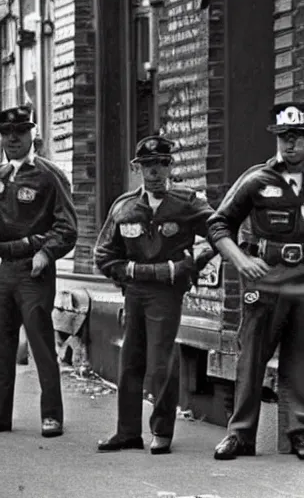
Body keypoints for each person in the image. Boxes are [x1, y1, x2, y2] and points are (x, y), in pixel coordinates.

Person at [94, 135, 215, 454]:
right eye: (147, 165)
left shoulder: (187, 202)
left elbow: (219, 230)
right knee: (130, 358)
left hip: (166, 293)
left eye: (161, 164)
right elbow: (103, 254)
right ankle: (127, 431)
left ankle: (162, 431)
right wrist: (130, 273)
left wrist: (192, 264)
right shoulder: (124, 207)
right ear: (138, 168)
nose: (154, 172)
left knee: (161, 360)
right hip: (134, 291)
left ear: (170, 166)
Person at [0, 105, 78, 438]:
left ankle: (52, 416)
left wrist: (47, 253)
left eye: (20, 132)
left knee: (40, 342)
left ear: (32, 134)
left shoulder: (49, 175)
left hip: (35, 270)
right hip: (5, 270)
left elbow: (67, 226)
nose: (13, 138)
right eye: (7, 133)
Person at [210, 102, 304, 461]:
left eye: (297, 138)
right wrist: (240, 260)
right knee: (250, 358)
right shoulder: (256, 179)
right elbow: (218, 224)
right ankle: (240, 434)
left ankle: (299, 432)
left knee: (300, 359)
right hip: (265, 281)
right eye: (284, 138)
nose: (290, 145)